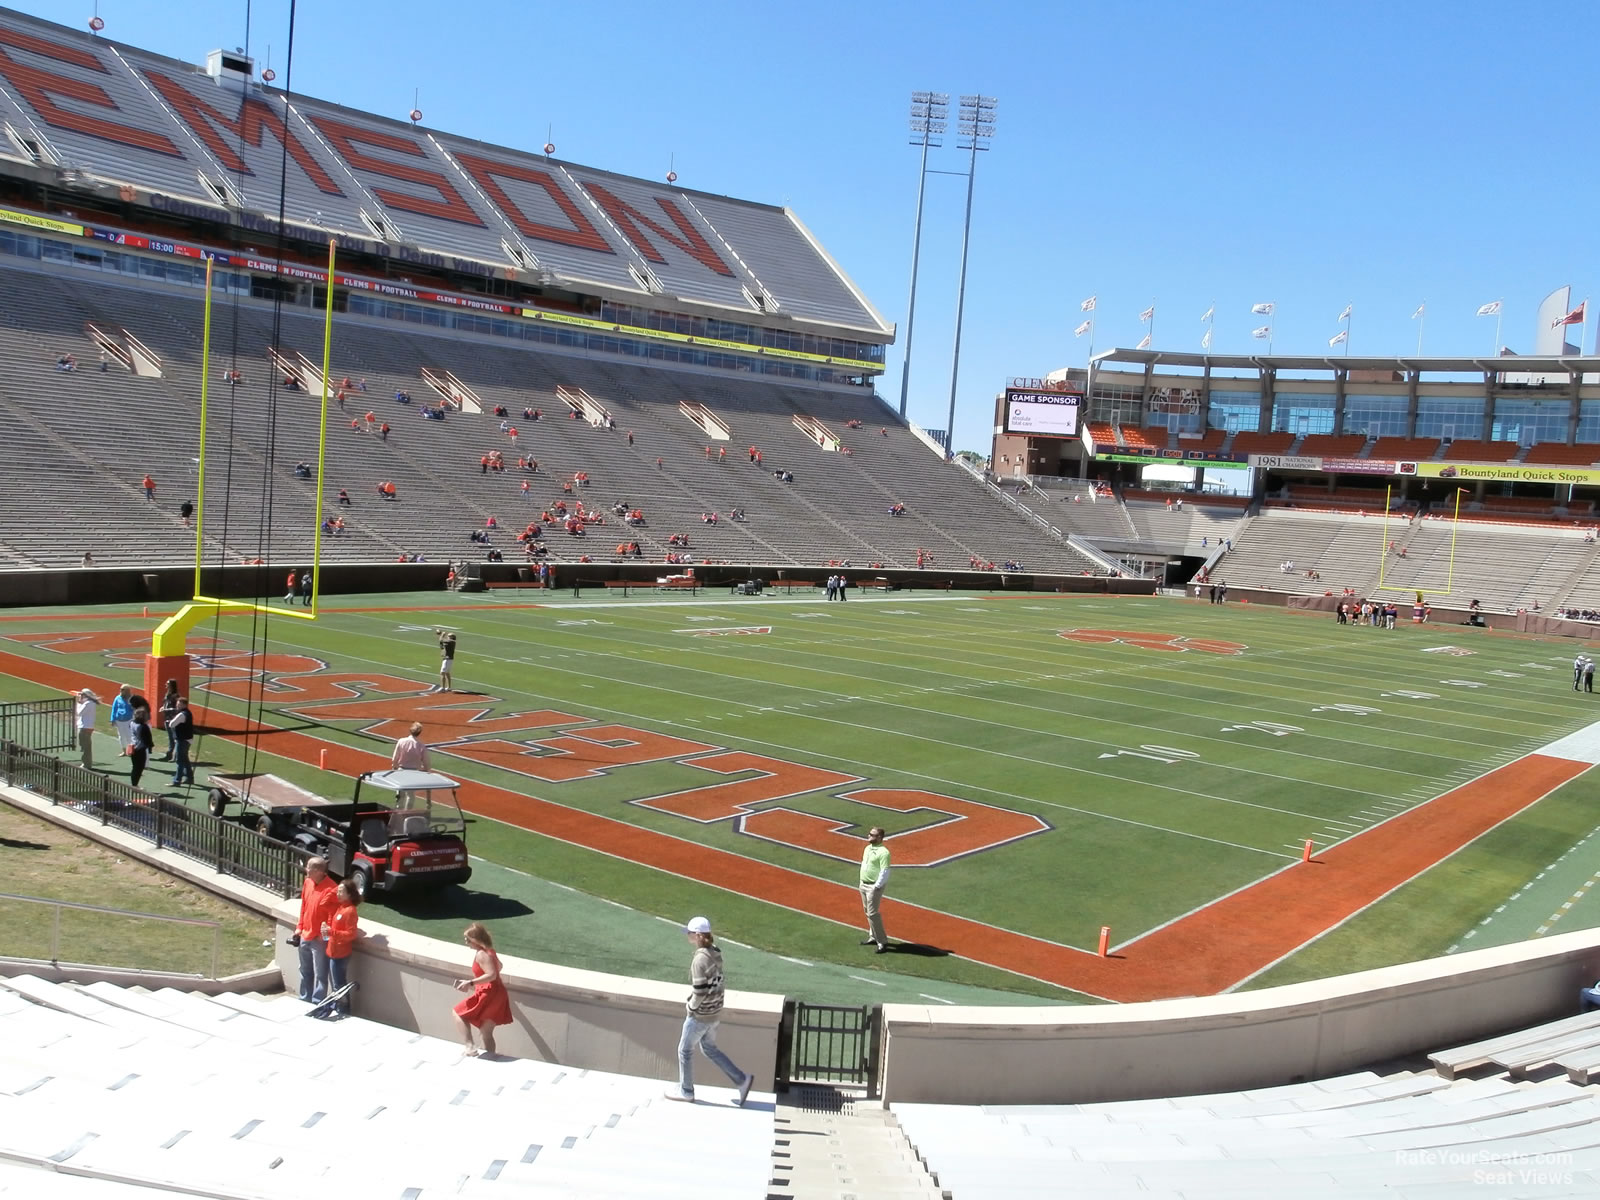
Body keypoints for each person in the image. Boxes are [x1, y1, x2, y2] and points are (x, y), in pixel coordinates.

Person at [663, 916, 755, 1106]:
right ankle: (741, 1080)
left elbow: (700, 992)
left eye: (689, 933)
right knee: (709, 1049)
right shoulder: (715, 953)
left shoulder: (699, 960)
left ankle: (686, 1090)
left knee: (684, 1050)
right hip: (715, 1012)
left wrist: (690, 1007)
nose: (687, 936)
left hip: (701, 1015)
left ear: (697, 936)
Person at [453, 923, 512, 1056]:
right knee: (486, 1033)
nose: (466, 942)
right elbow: (499, 966)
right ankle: (490, 1056)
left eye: (468, 939)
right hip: (498, 993)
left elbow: (491, 975)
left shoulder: (481, 954)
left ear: (476, 940)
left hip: (488, 993)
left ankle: (469, 1046)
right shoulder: (490, 951)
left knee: (458, 1013)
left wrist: (471, 982)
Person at [295, 857, 339, 1004]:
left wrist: (324, 936)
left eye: (309, 868)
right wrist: (299, 928)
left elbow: (333, 916)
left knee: (320, 973)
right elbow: (304, 907)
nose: (306, 870)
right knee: (305, 970)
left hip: (319, 940)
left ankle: (317, 1002)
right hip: (305, 935)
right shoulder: (307, 883)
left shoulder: (332, 889)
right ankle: (304, 998)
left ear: (319, 871)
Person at [320, 879, 361, 1019]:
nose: (337, 894)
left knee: (339, 985)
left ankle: (343, 1010)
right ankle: (339, 1007)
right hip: (333, 951)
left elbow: (351, 934)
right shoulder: (340, 907)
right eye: (337, 891)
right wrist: (336, 889)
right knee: (336, 983)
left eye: (341, 891)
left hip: (340, 953)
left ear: (349, 894)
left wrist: (332, 932)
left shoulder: (350, 911)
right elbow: (324, 902)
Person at [859, 826, 891, 953]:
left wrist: (877, 886)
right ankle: (873, 936)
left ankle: (882, 942)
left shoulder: (884, 852)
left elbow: (885, 871)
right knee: (867, 911)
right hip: (863, 884)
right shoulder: (867, 848)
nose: (868, 836)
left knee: (872, 914)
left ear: (879, 837)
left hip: (873, 886)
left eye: (871, 834)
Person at [167, 697, 195, 786]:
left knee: (179, 761)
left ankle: (177, 780)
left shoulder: (182, 714)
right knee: (185, 759)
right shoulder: (188, 713)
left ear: (184, 705)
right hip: (187, 739)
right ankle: (190, 778)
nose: (177, 706)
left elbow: (172, 724)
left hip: (182, 740)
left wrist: (172, 718)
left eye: (179, 704)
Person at [128, 706, 154, 789]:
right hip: (140, 748)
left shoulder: (132, 723)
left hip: (132, 746)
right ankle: (135, 785)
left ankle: (134, 784)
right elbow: (147, 739)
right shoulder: (143, 726)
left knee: (135, 767)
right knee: (139, 767)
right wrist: (150, 747)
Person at [73, 687, 99, 768]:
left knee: (85, 746)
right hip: (86, 727)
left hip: (85, 727)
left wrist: (78, 703)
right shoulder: (90, 703)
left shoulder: (88, 703)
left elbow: (79, 712)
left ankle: (86, 764)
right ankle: (87, 763)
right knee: (85, 745)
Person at [157, 679, 180, 760]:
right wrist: (163, 707)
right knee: (171, 738)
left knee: (175, 739)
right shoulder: (167, 694)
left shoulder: (175, 696)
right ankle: (170, 754)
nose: (165, 685)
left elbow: (176, 709)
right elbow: (166, 704)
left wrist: (165, 710)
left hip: (172, 720)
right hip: (167, 719)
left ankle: (175, 756)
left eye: (167, 683)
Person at [109, 684, 135, 754]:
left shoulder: (131, 699)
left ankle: (131, 751)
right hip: (119, 720)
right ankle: (124, 750)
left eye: (123, 689)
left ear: (127, 691)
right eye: (120, 689)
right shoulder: (117, 698)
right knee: (121, 736)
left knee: (129, 735)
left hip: (128, 720)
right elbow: (114, 709)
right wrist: (112, 719)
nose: (121, 691)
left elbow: (134, 709)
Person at [435, 629, 457, 693]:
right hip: (447, 659)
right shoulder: (449, 641)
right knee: (447, 673)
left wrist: (442, 634)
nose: (447, 636)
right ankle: (449, 687)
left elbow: (441, 640)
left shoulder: (451, 641)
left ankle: (443, 688)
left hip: (448, 659)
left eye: (449, 636)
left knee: (442, 673)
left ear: (452, 637)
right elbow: (441, 644)